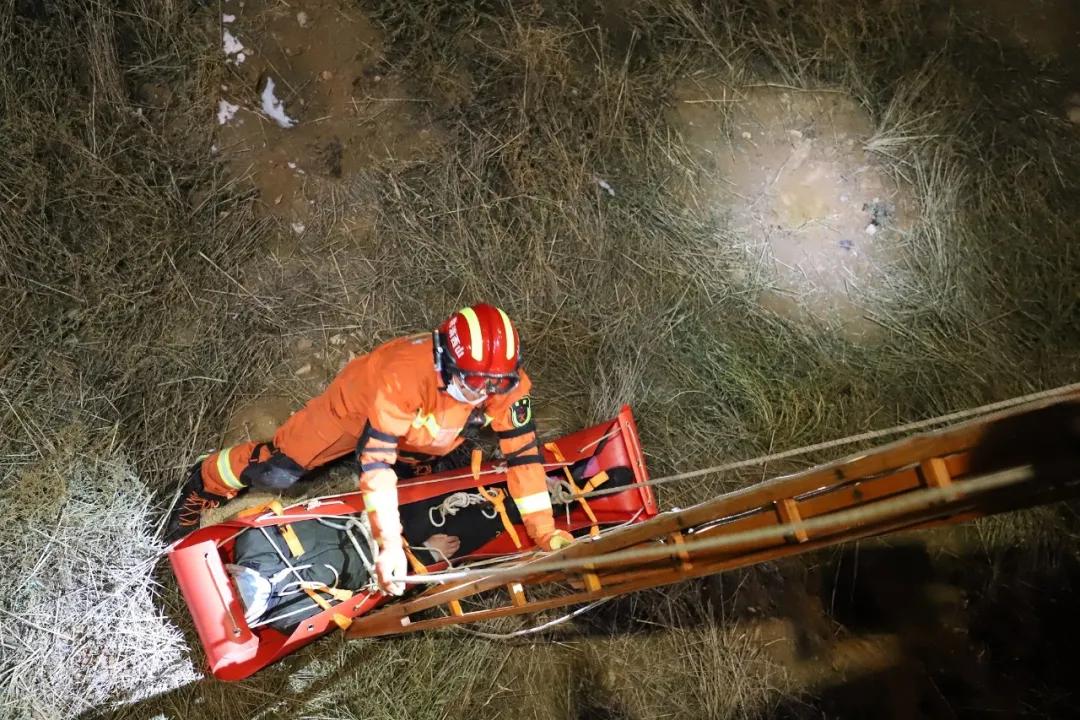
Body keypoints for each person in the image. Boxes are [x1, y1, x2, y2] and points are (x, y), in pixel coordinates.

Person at [165, 303, 573, 593]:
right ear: (446, 362)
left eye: (494, 385)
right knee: (279, 469)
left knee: (427, 458)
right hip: (354, 408)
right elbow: (376, 463)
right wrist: (390, 544)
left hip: (423, 431)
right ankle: (205, 481)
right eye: (473, 384)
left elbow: (524, 457)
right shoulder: (402, 377)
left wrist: (545, 531)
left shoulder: (502, 381)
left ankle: (421, 461)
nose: (483, 395)